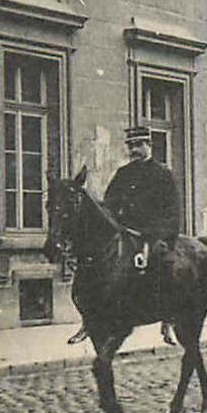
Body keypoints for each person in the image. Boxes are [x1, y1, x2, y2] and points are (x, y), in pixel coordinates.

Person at [69, 124, 182, 345]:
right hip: (123, 231)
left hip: (152, 234)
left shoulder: (162, 174)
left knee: (163, 265)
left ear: (149, 145)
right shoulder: (123, 173)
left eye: (139, 145)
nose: (134, 150)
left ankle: (168, 318)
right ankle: (88, 321)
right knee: (91, 266)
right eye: (131, 146)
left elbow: (172, 211)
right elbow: (109, 203)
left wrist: (156, 235)